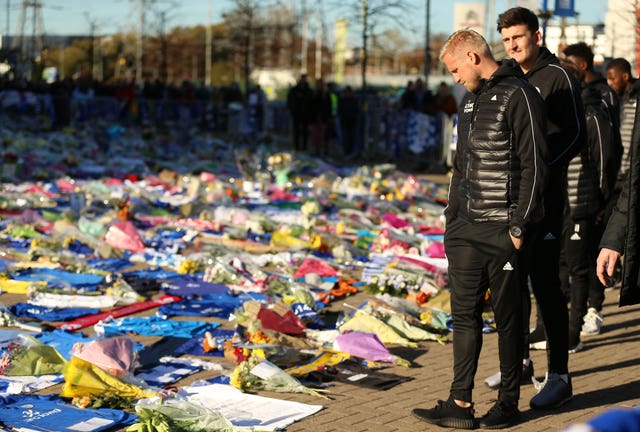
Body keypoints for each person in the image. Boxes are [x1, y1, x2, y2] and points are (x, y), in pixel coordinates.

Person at [411, 29, 549, 430]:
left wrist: (519, 225)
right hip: (465, 230)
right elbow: (460, 166)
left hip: (503, 230)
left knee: (509, 320)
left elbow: (535, 164)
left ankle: (508, 403)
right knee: (464, 317)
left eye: (456, 69)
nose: (455, 78)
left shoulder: (520, 95)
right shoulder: (470, 103)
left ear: (473, 57)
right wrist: (451, 216)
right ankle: (460, 402)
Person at [497, 6, 586, 410]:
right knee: (510, 284)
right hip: (510, 202)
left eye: (518, 37)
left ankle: (559, 375)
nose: (512, 45)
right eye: (505, 40)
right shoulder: (508, 76)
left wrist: (540, 167)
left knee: (547, 287)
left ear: (537, 35)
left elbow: (576, 136)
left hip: (547, 203)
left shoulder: (560, 77)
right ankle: (518, 363)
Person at [558, 58, 619, 354]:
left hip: (582, 203)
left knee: (579, 269)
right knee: (558, 269)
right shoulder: (557, 113)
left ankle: (575, 329)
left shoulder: (593, 115)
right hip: (556, 206)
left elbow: (606, 162)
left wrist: (601, 202)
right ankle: (553, 327)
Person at [286, 74, 313, 151]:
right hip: (296, 114)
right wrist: (291, 110)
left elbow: (311, 102)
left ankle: (304, 147)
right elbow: (290, 101)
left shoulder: (309, 91)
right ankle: (296, 147)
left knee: (305, 132)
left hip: (306, 114)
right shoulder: (294, 90)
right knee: (296, 131)